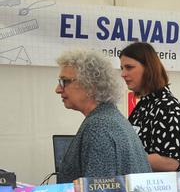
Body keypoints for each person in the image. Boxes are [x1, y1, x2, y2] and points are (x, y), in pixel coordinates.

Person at [54, 49, 151, 184]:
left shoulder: (99, 127)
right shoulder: (111, 118)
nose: (58, 89)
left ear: (90, 85)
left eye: (65, 81)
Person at [120, 42, 180, 171]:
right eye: (122, 68)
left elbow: (170, 162)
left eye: (129, 67)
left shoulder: (168, 107)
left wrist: (120, 158)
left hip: (162, 188)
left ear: (148, 68)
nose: (123, 74)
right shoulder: (145, 105)